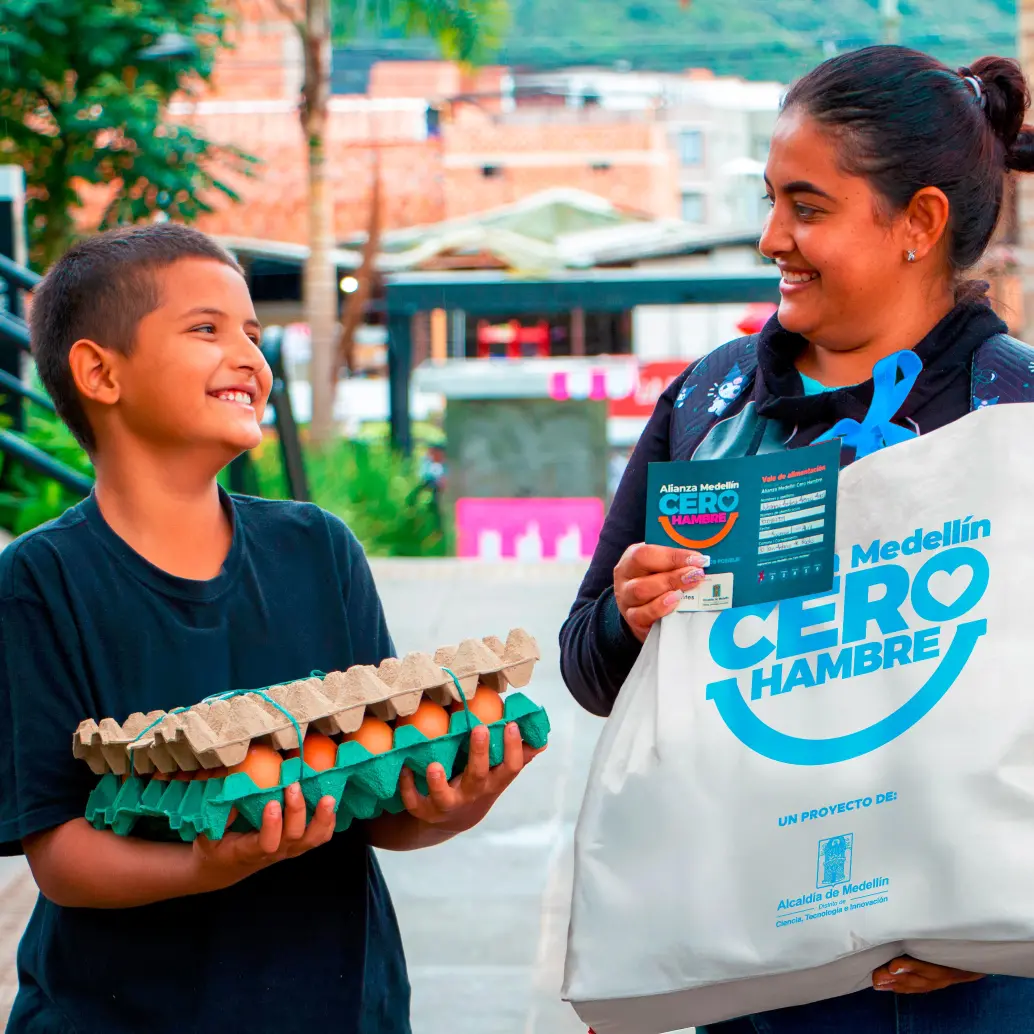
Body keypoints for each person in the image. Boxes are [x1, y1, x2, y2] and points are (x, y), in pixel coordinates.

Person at [560, 45, 1034, 1033]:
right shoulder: (714, 402)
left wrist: (996, 917)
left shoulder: (1013, 414)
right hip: (757, 979)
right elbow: (589, 667)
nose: (771, 235)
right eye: (771, 199)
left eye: (806, 207)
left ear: (918, 223)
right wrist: (629, 620)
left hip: (978, 996)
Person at [0, 224, 542, 1033]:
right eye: (205, 329)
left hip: (336, 1003)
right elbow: (60, 856)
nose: (249, 356)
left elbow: (371, 794)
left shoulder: (318, 549)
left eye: (253, 332)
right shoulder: (42, 583)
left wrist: (450, 806)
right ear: (99, 372)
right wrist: (204, 863)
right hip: (126, 1013)